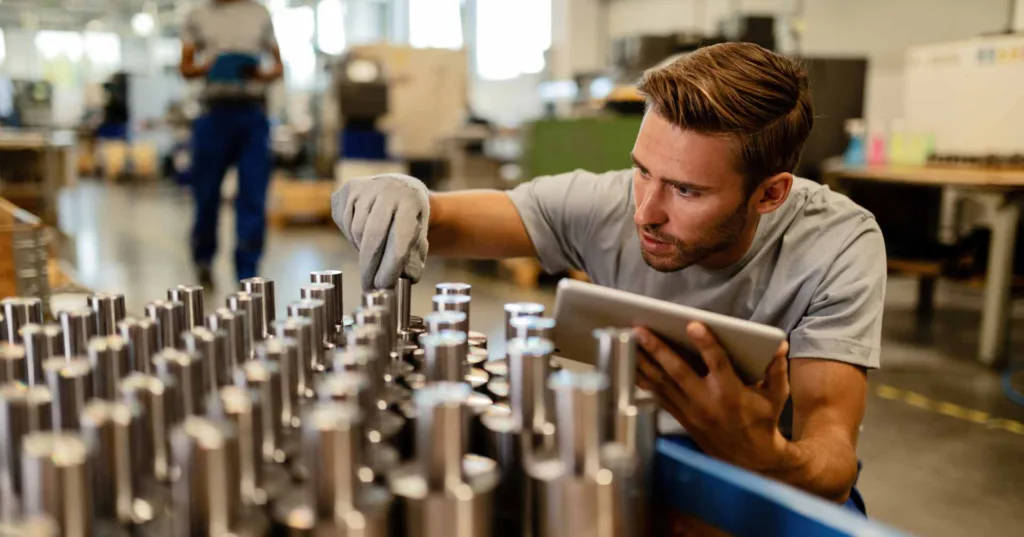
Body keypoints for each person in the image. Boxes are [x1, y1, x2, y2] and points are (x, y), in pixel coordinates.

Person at [331, 42, 884, 514]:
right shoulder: (605, 203)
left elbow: (833, 459)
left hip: (775, 474)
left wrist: (765, 455)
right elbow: (445, 219)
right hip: (643, 450)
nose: (645, 211)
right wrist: (395, 195)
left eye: (686, 190)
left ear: (770, 194)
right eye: (643, 170)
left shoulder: (837, 244)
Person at [179, 0, 284, 284]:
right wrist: (211, 67)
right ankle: (203, 258)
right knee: (207, 195)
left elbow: (278, 67)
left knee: (252, 195)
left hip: (252, 116)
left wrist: (257, 74)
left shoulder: (259, 13)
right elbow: (186, 68)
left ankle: (247, 270)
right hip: (213, 115)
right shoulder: (198, 16)